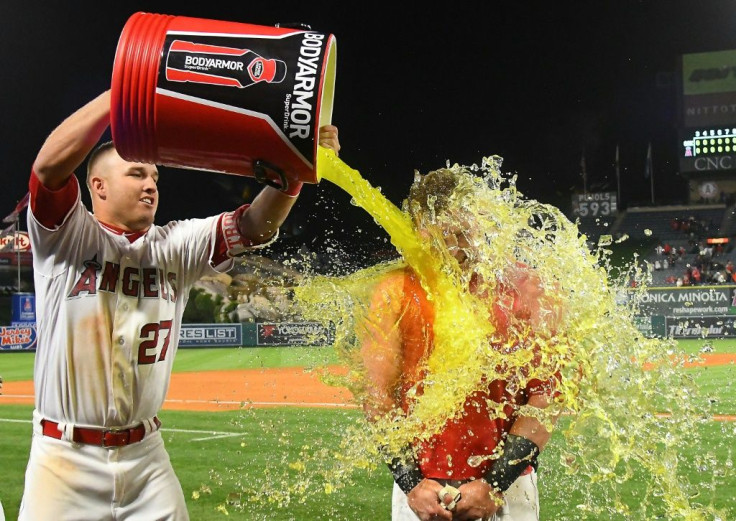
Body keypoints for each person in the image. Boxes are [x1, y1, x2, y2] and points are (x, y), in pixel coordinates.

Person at [18, 90, 340, 520]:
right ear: (98, 186)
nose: (150, 184)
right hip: (63, 461)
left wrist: (296, 170)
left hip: (147, 459)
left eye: (154, 177)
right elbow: (48, 169)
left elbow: (254, 228)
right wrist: (122, 93)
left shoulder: (175, 244)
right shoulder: (65, 236)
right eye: (136, 174)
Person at [358, 169, 560, 521]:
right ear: (418, 230)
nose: (453, 250)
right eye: (439, 238)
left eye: (461, 234)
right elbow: (379, 396)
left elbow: (547, 394)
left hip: (508, 487)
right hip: (421, 492)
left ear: (479, 221)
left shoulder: (528, 287)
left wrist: (494, 484)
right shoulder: (394, 292)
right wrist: (412, 484)